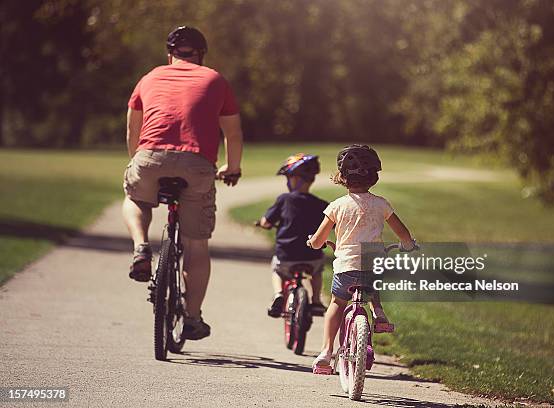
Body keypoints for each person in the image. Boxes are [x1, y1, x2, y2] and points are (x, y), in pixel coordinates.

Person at [122, 26, 243, 341]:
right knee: (196, 244)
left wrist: (138, 162)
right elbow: (232, 133)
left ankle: (140, 248)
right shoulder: (215, 80)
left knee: (135, 199)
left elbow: (133, 128)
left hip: (150, 156)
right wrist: (232, 167)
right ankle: (192, 318)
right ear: (201, 54)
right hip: (196, 164)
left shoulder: (149, 78)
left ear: (169, 55)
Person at [306, 144, 418, 374]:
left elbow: (318, 240)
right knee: (372, 280)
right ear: (374, 177)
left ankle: (326, 352)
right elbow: (402, 232)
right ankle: (378, 313)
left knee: (337, 304)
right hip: (372, 265)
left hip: (346, 268)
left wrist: (314, 243)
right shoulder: (381, 204)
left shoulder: (337, 206)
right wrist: (408, 244)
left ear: (342, 178)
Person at [258, 154, 329, 318]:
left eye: (288, 178)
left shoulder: (284, 200)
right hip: (312, 256)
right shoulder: (320, 204)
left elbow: (266, 222)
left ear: (296, 179)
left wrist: (262, 223)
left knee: (276, 269)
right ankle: (316, 301)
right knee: (317, 271)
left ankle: (278, 295)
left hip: (287, 256)